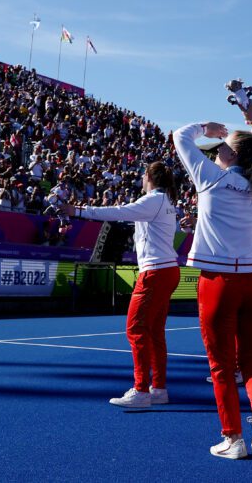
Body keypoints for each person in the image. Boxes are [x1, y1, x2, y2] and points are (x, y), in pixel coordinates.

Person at [172, 102, 252, 460]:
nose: (217, 150)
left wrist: (207, 126)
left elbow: (179, 136)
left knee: (220, 365)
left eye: (223, 146)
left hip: (218, 281)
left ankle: (233, 438)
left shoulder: (210, 177)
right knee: (251, 357)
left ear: (231, 154)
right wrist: (251, 116)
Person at [63, 161, 181, 409]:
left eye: (143, 174)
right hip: (167, 269)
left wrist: (79, 211)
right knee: (155, 332)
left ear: (149, 176)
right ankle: (158, 388)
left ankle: (141, 390)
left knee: (136, 329)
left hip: (156, 271)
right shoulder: (165, 202)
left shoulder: (153, 200)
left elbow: (118, 211)